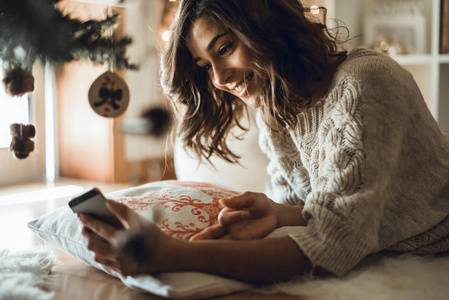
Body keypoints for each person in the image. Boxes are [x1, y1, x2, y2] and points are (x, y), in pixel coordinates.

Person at [78, 0, 449, 284]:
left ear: (267, 26)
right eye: (205, 65)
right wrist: (277, 212)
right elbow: (321, 205)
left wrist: (172, 255)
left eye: (223, 49)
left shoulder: (365, 83)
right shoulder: (275, 100)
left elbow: (332, 244)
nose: (220, 78)